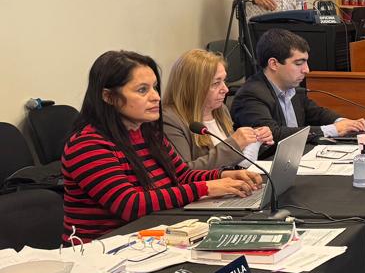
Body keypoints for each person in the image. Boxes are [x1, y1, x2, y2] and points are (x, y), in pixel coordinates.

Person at [61, 51, 261, 242]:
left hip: (150, 239)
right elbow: (130, 204)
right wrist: (207, 187)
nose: (156, 96)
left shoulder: (148, 133)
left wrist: (223, 176)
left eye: (154, 87)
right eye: (142, 90)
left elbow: (181, 176)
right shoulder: (87, 144)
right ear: (108, 97)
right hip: (105, 250)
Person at [230, 28, 365, 148]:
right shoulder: (251, 95)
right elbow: (274, 134)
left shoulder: (291, 86)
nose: (306, 70)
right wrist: (332, 129)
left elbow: (316, 113)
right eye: (298, 63)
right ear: (274, 64)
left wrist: (342, 122)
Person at [161, 48, 274, 169]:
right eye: (216, 83)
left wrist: (255, 141)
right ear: (192, 88)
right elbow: (184, 172)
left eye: (224, 81)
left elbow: (234, 161)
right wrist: (234, 144)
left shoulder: (220, 109)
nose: (225, 89)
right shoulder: (170, 120)